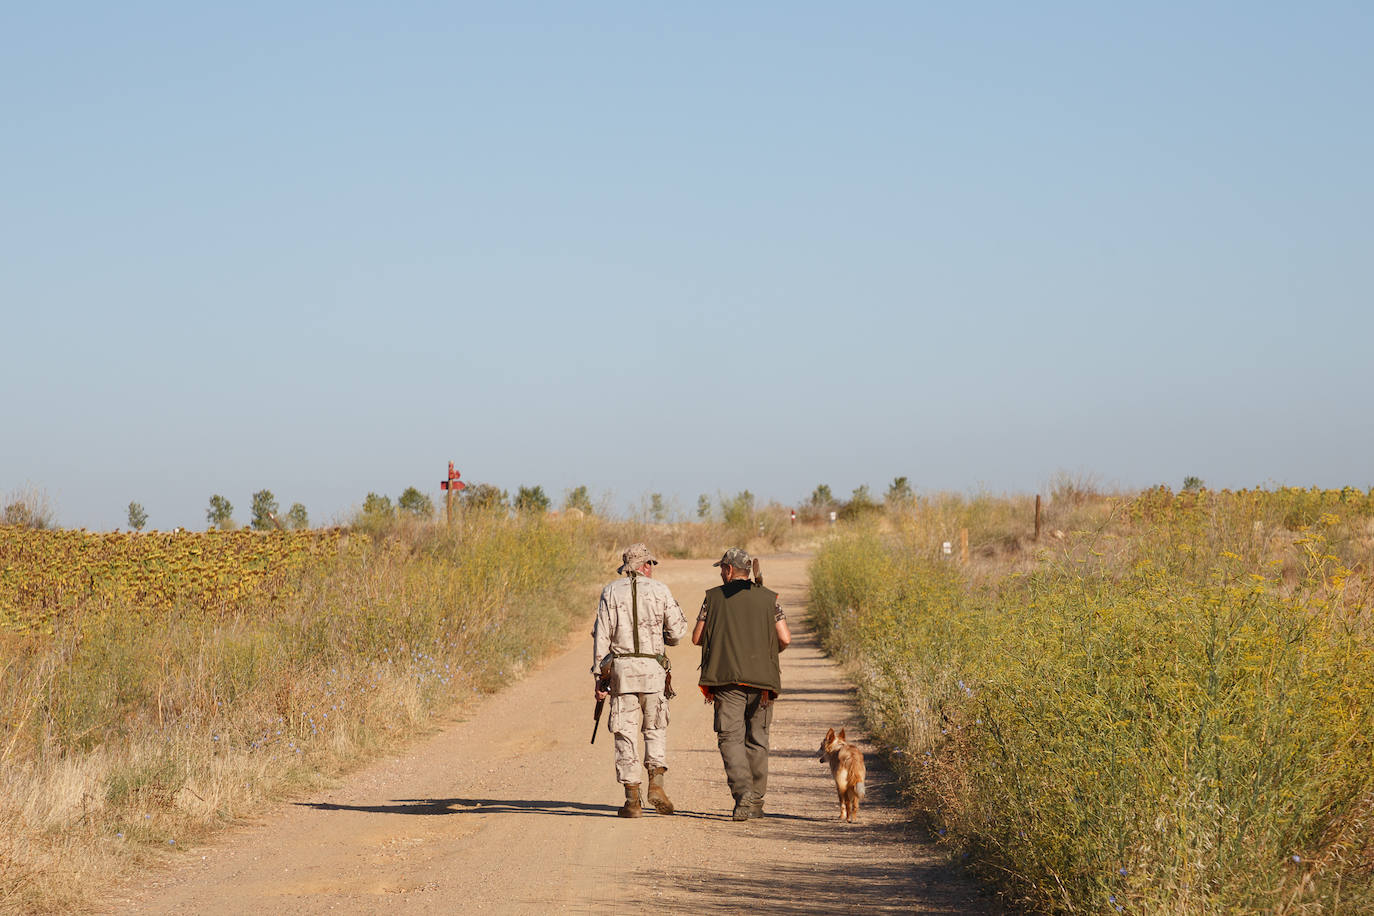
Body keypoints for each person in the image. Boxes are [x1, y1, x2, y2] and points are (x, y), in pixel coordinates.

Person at [692, 547, 792, 820]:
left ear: (729, 570)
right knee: (758, 740)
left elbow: (697, 637)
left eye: (722, 569)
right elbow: (785, 638)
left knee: (730, 739)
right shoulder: (770, 599)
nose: (721, 574)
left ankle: (744, 794)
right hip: (762, 684)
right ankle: (756, 802)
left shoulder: (712, 599)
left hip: (727, 681)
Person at [591, 543, 689, 817]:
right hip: (653, 670)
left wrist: (599, 677)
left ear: (626, 568)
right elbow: (679, 630)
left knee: (625, 732)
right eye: (651, 564)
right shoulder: (660, 590)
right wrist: (664, 637)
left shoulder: (610, 591)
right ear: (644, 566)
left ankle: (632, 799)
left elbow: (601, 636)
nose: (652, 569)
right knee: (655, 728)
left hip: (622, 672)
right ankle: (656, 785)